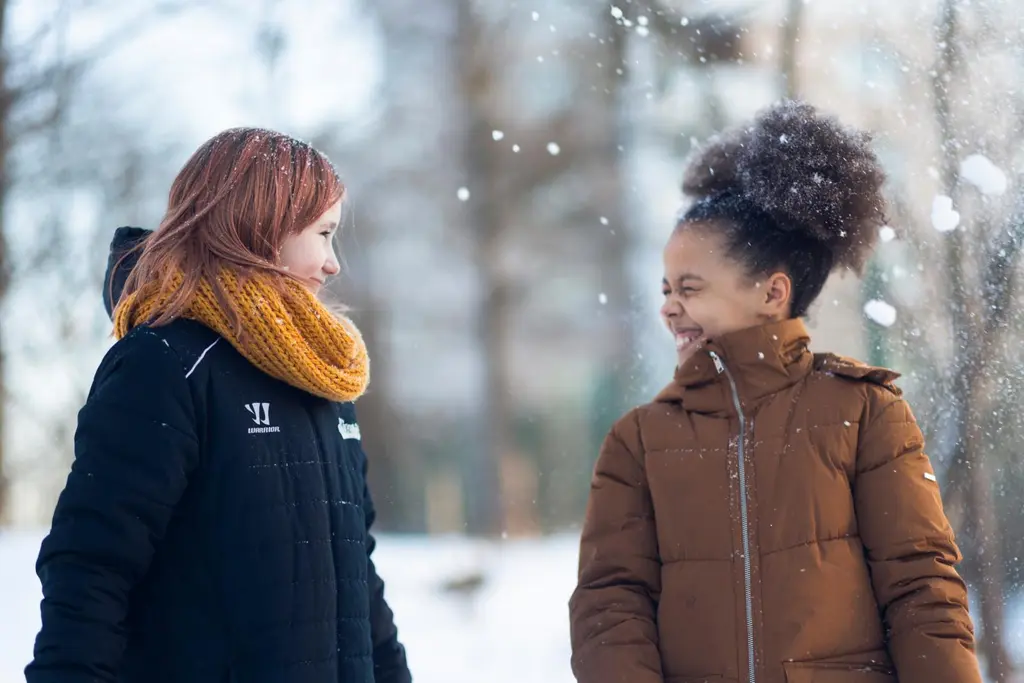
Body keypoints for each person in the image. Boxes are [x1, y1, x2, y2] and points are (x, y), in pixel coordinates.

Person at [568, 101, 981, 683]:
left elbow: (920, 587)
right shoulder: (638, 442)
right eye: (665, 289)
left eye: (690, 288)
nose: (669, 307)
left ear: (772, 292)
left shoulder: (862, 412)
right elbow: (610, 606)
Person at [26, 127, 411, 683]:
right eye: (323, 234)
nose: (332, 264)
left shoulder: (321, 376)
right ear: (262, 227)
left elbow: (358, 576)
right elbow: (92, 568)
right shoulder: (164, 363)